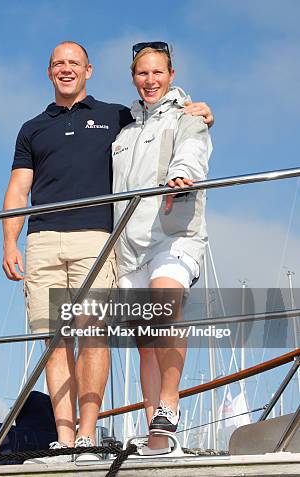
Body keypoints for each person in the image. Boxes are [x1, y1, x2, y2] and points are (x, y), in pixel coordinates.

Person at [2, 41, 212, 464]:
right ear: (49, 72)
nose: (66, 69)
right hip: (53, 241)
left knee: (99, 332)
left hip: (100, 240)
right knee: (59, 340)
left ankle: (90, 435)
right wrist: (9, 240)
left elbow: (175, 121)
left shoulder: (115, 115)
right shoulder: (34, 127)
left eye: (74, 63)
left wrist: (201, 111)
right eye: (58, 64)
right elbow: (18, 188)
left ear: (89, 70)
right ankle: (67, 438)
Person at [112, 41, 211, 454]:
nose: (150, 80)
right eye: (141, 73)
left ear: (171, 75)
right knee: (144, 340)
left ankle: (169, 404)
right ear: (133, 78)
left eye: (157, 72)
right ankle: (157, 439)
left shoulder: (188, 115)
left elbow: (194, 148)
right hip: (129, 245)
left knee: (166, 303)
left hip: (173, 233)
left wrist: (182, 174)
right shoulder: (124, 129)